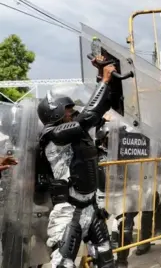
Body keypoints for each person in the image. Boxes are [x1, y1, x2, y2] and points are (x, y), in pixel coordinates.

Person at [37, 60, 117, 268]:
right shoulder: (54, 136)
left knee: (106, 260)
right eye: (67, 110)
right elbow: (86, 119)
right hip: (68, 212)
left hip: (90, 207)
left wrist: (103, 77)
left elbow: (97, 111)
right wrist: (104, 82)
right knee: (63, 264)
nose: (72, 112)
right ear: (53, 113)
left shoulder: (76, 134)